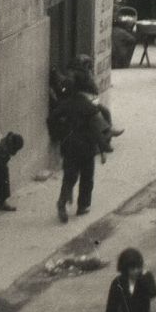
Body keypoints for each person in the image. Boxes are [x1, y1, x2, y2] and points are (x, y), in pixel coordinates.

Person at [50, 81, 107, 221]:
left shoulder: (65, 105)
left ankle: (62, 202)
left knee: (69, 177)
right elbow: (97, 129)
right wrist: (102, 150)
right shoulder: (90, 107)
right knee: (87, 178)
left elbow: (51, 118)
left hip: (69, 146)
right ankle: (83, 206)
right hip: (87, 147)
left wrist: (58, 135)